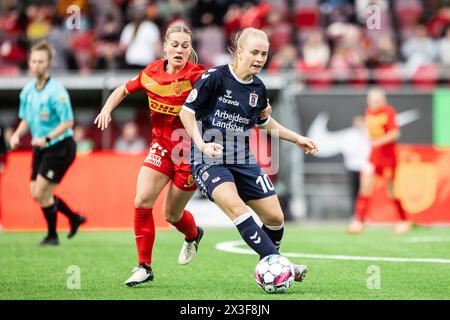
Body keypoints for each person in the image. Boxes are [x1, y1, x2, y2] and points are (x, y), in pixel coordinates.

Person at [179, 27, 318, 284]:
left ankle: (271, 265)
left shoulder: (258, 89)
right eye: (254, 52)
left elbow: (264, 124)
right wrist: (201, 144)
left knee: (275, 217)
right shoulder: (215, 77)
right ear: (239, 51)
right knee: (237, 207)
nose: (259, 59)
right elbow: (186, 113)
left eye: (264, 54)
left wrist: (297, 138)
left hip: (242, 158)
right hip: (208, 158)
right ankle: (282, 266)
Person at [95, 25, 207, 287]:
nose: (179, 49)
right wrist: (107, 109)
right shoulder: (151, 73)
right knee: (142, 200)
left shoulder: (198, 76)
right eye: (175, 44)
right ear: (165, 47)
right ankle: (144, 266)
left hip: (188, 153)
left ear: (190, 50)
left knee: (171, 215)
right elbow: (123, 89)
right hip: (161, 147)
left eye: (185, 45)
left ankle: (193, 234)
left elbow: (222, 92)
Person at [8, 40, 87, 246]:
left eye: (41, 61)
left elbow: (68, 122)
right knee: (36, 193)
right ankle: (74, 218)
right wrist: (17, 134)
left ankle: (53, 236)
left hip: (60, 146)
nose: (36, 65)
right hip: (41, 147)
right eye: (33, 61)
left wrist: (47, 137)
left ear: (49, 64)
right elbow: (26, 118)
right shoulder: (27, 91)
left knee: (43, 192)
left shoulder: (57, 91)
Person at [347, 88, 412, 235]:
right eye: (371, 99)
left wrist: (379, 141)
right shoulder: (369, 112)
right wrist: (362, 127)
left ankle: (402, 221)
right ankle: (359, 221)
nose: (374, 102)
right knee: (365, 187)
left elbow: (395, 133)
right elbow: (370, 134)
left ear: (383, 99)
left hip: (388, 158)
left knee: (392, 191)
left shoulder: (389, 112)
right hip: (373, 157)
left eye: (377, 99)